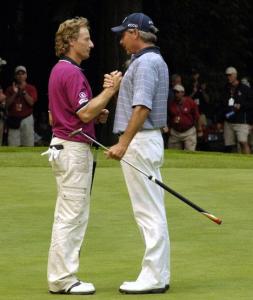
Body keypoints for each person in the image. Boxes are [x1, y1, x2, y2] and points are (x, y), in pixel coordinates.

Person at [45, 17, 122, 295]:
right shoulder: (72, 73)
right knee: (72, 215)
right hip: (73, 150)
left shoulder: (58, 71)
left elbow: (58, 114)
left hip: (63, 146)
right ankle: (63, 279)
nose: (91, 43)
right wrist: (110, 91)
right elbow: (84, 113)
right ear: (71, 42)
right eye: (86, 38)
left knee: (66, 213)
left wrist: (94, 114)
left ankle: (60, 276)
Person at [107, 12, 170, 294]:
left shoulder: (145, 63)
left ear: (135, 33)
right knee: (153, 210)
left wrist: (123, 143)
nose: (121, 39)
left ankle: (153, 277)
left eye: (123, 33)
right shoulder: (150, 61)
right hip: (147, 140)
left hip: (140, 140)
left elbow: (141, 107)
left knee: (148, 212)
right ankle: (160, 274)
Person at [217, 67, 253, 154]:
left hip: (241, 121)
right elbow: (221, 105)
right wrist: (219, 120)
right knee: (229, 145)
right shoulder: (225, 89)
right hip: (228, 121)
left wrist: (241, 106)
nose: (228, 77)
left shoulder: (245, 89)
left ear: (235, 75)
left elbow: (251, 103)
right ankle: (234, 165)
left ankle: (248, 163)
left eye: (230, 75)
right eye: (227, 75)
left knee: (242, 142)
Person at [5, 66, 38, 146]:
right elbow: (6, 105)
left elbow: (31, 103)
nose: (20, 76)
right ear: (15, 76)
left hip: (27, 118)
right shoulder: (10, 89)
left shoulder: (31, 88)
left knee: (28, 144)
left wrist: (23, 91)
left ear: (26, 75)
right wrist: (15, 93)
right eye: (18, 74)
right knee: (12, 145)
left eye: (22, 74)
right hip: (13, 119)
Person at [167, 84, 202, 150]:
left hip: (189, 132)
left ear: (183, 93)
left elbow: (197, 116)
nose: (176, 94)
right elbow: (168, 118)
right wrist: (168, 128)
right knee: (173, 154)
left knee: (189, 153)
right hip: (175, 132)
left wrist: (199, 129)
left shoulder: (190, 102)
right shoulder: (171, 104)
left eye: (177, 92)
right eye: (174, 92)